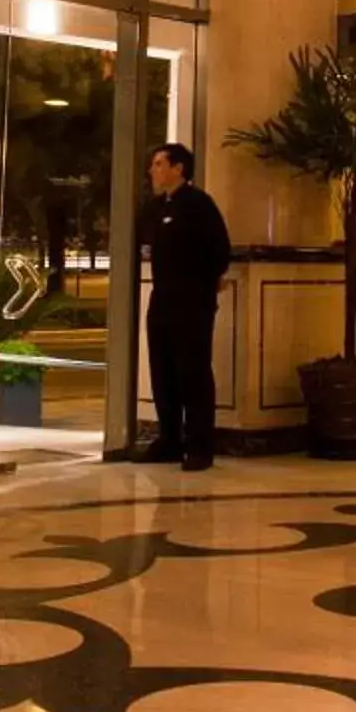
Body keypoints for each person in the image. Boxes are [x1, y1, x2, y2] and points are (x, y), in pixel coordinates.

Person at [137, 142, 231, 470]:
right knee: (163, 371)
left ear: (178, 168)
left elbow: (220, 250)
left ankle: (200, 445)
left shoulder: (199, 205)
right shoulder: (154, 207)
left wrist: (203, 286)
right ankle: (170, 440)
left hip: (192, 303)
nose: (153, 170)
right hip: (161, 300)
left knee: (193, 372)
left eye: (159, 164)